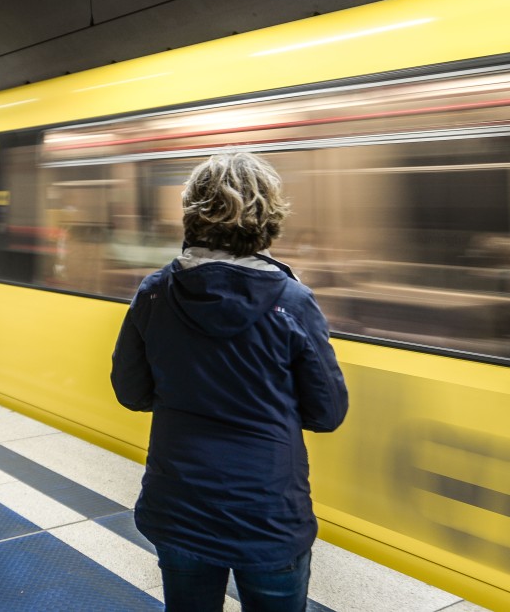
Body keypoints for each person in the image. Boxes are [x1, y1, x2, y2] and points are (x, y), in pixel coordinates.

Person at [110, 152, 349, 612]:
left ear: (191, 213)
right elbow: (328, 412)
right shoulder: (292, 301)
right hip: (267, 511)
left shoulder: (155, 293)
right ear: (268, 215)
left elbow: (130, 391)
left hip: (179, 503)